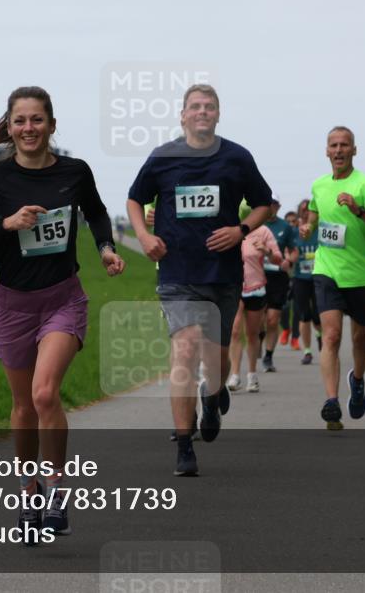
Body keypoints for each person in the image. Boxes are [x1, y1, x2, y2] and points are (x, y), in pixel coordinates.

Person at [0, 86, 125, 544]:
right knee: (24, 407)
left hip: (62, 299)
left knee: (46, 394)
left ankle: (55, 489)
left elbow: (96, 212)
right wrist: (6, 225)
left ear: (51, 124)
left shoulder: (74, 171)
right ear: (9, 128)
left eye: (36, 120)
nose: (28, 128)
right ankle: (28, 488)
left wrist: (106, 248)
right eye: (20, 121)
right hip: (13, 305)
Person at [127, 83, 271, 476]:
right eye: (195, 106)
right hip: (177, 273)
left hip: (222, 274)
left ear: (218, 114)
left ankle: (214, 396)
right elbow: (134, 199)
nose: (202, 112)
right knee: (186, 350)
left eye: (209, 106)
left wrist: (240, 230)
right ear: (183, 115)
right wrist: (143, 235)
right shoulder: (163, 157)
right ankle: (184, 444)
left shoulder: (237, 157)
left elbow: (265, 203)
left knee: (216, 357)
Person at [300, 126, 365, 430]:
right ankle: (331, 401)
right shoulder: (318, 185)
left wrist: (359, 210)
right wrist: (307, 228)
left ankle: (357, 380)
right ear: (326, 151)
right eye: (333, 145)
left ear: (354, 150)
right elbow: (314, 216)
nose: (339, 150)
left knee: (359, 338)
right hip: (326, 270)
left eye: (344, 145)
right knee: (331, 336)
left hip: (361, 275)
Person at [227, 224, 282, 392]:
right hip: (233, 286)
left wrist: (267, 251)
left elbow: (278, 259)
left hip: (256, 287)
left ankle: (252, 374)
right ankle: (235, 375)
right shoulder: (228, 225)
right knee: (235, 330)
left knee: (252, 333)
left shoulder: (262, 230)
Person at [260, 198, 297, 372]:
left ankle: (268, 356)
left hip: (277, 276)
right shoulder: (255, 224)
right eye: (269, 204)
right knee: (258, 319)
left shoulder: (285, 227)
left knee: (273, 319)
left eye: (274, 204)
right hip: (257, 275)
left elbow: (294, 250)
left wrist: (289, 261)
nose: (271, 207)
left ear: (279, 206)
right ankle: (258, 341)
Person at [290, 198, 322, 364]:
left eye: (308, 209)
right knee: (304, 315)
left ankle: (320, 335)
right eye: (302, 209)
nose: (305, 211)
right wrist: (290, 258)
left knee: (318, 315)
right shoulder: (294, 232)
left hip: (318, 277)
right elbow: (286, 251)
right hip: (300, 278)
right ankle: (307, 351)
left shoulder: (319, 229)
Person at [279, 209, 300, 347]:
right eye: (289, 221)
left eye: (294, 221)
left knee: (297, 308)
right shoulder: (282, 236)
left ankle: (295, 338)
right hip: (283, 277)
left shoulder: (301, 236)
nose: (291, 224)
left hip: (298, 276)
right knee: (284, 307)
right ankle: (286, 328)